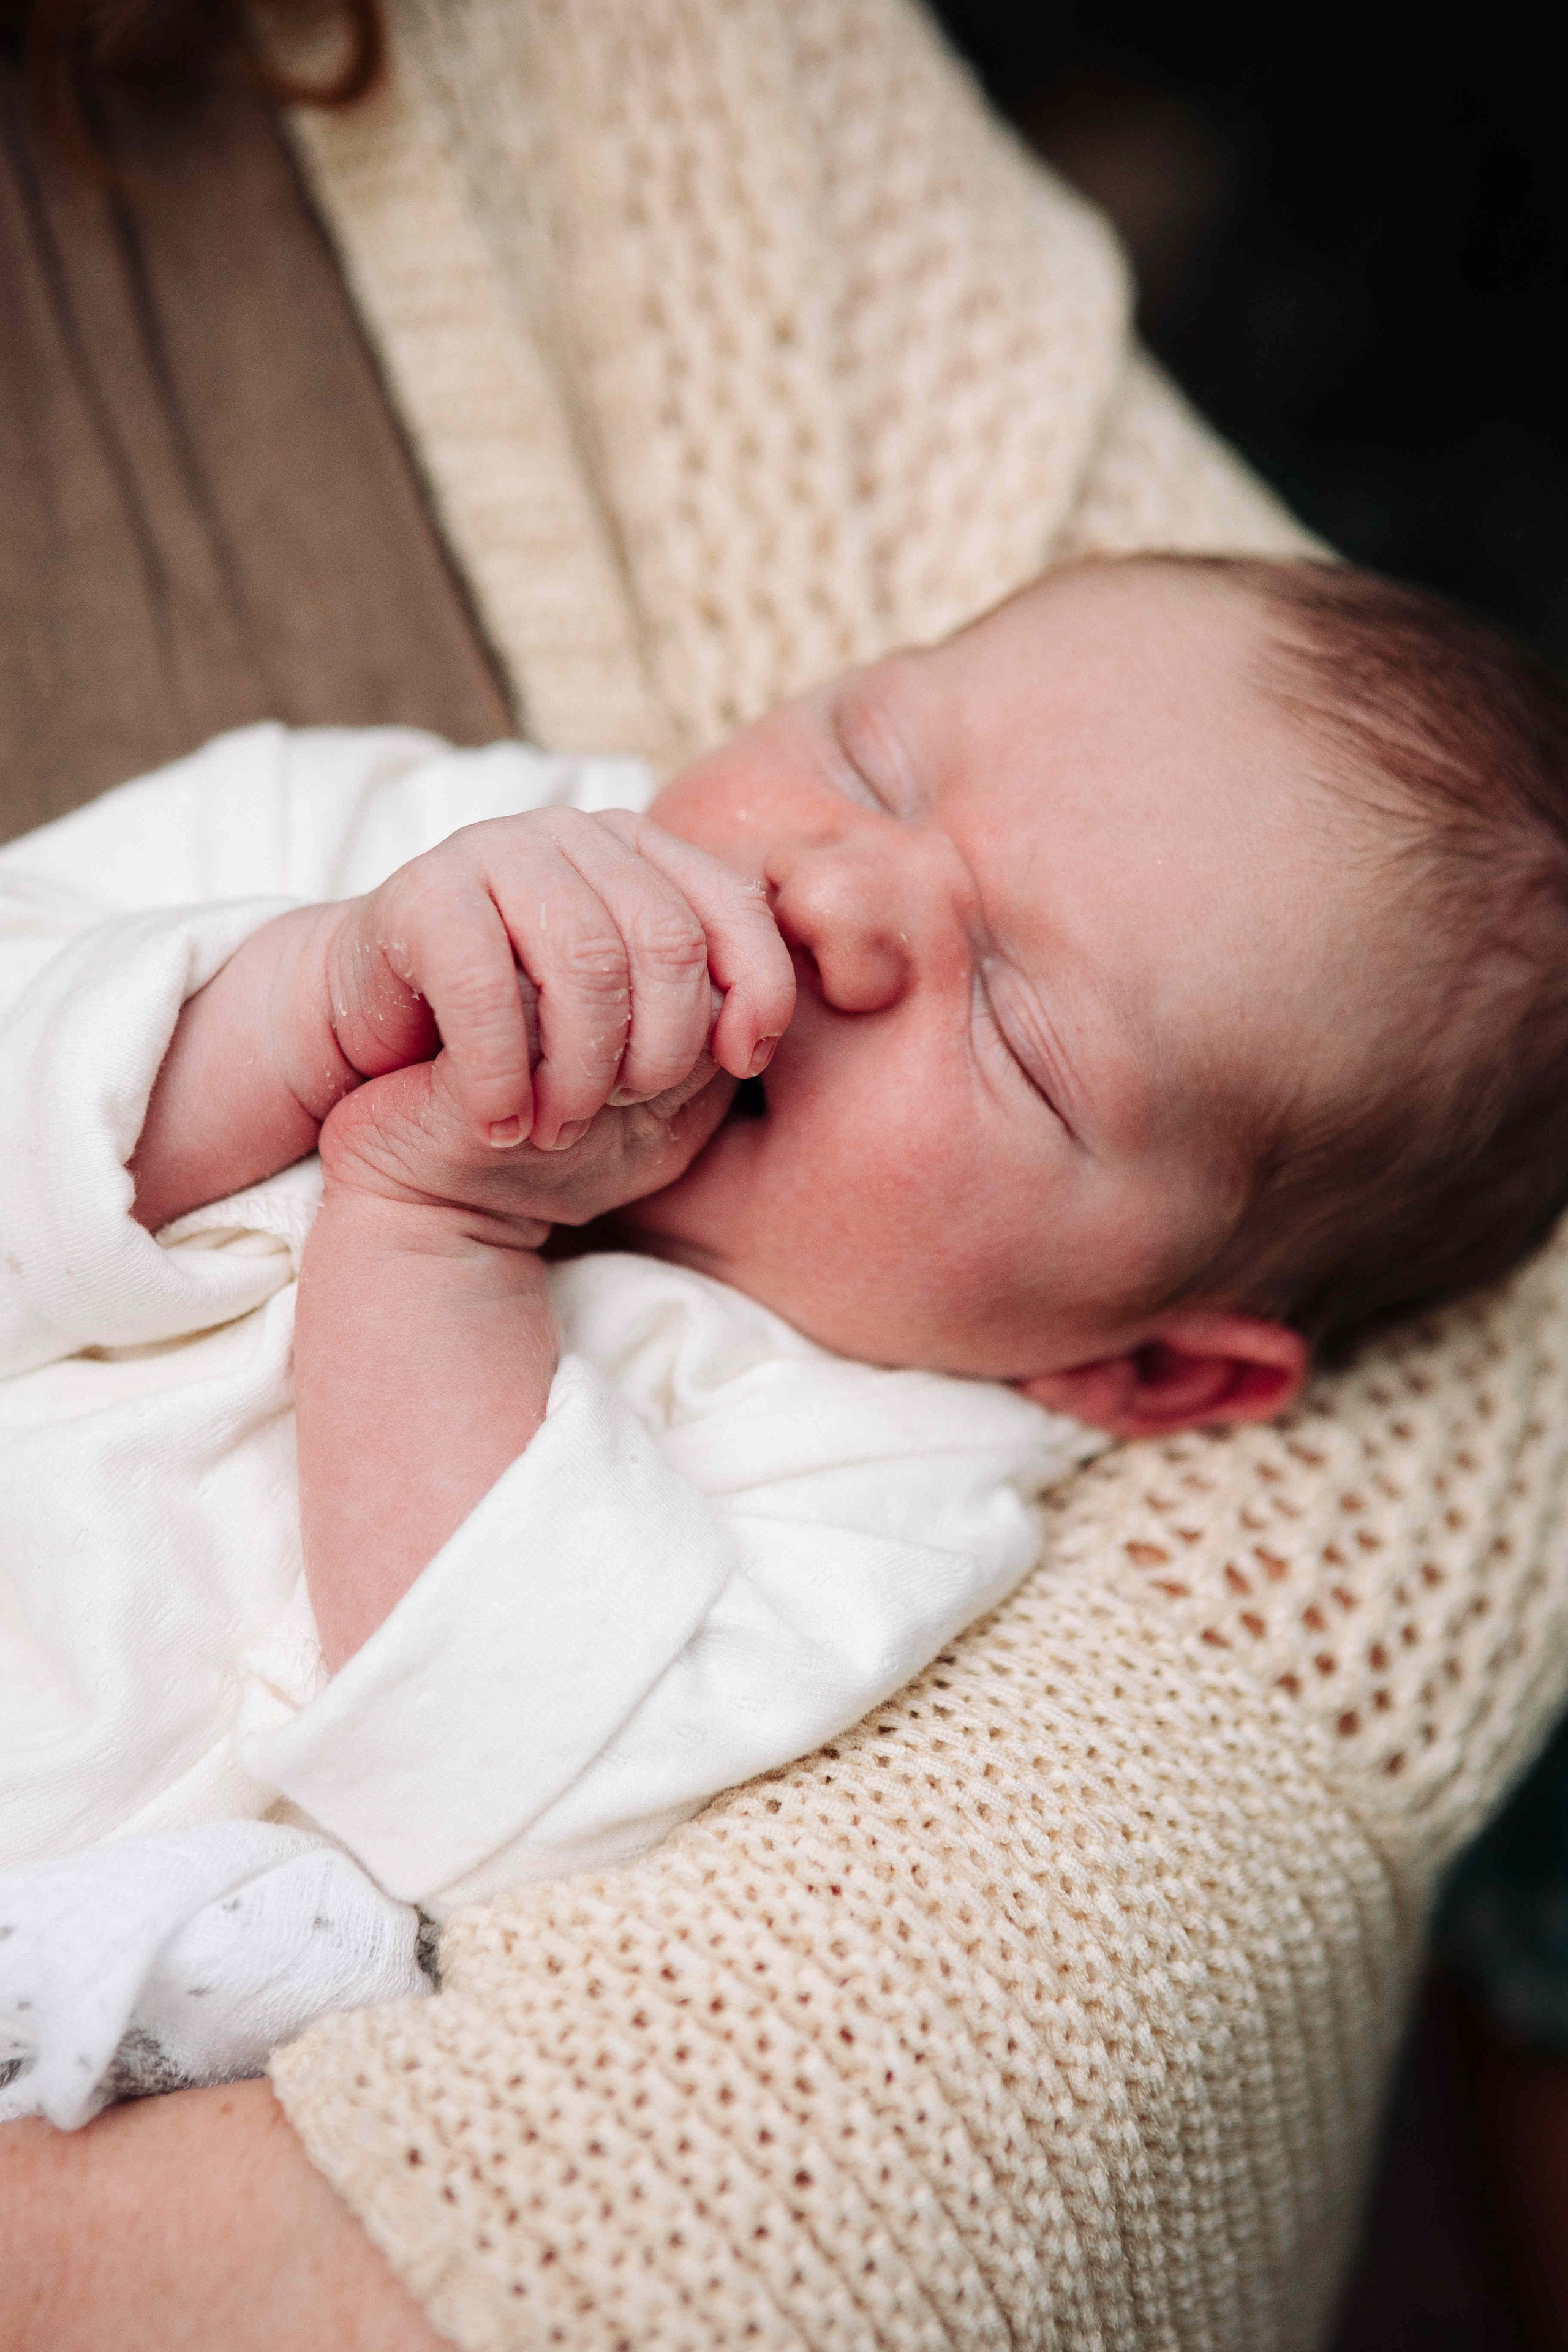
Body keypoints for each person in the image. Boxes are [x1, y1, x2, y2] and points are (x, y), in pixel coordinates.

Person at [6, 547, 1568, 2125]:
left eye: (1017, 1035)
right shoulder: (381, 842)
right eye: (867, 760)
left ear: (1149, 1367)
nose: (835, 895)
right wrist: (306, 1008)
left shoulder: (888, 1484)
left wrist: (432, 1234)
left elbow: (488, 1781)